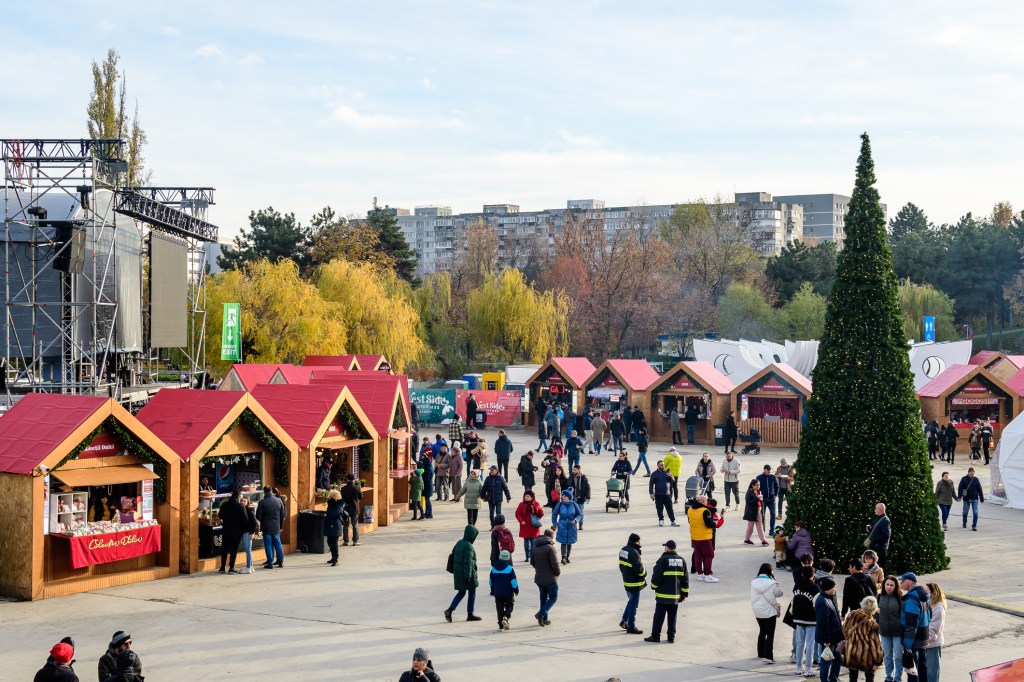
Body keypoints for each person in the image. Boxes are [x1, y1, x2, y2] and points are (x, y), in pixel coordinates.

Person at [644, 539, 688, 643]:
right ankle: (671, 637)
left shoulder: (662, 560)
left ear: (667, 548)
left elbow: (657, 576)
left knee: (659, 616)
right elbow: (685, 579)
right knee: (672, 617)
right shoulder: (681, 561)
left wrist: (653, 586)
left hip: (662, 596)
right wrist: (684, 594)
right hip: (675, 596)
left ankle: (655, 636)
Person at [445, 524, 482, 623]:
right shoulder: (469, 546)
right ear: (472, 535)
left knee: (461, 592)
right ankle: (470, 614)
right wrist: (468, 576)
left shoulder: (459, 542)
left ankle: (450, 610)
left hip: (458, 573)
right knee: (472, 592)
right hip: (467, 574)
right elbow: (468, 562)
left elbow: (453, 554)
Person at [843, 596, 885, 682]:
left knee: (852, 676)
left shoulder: (852, 614)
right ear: (874, 609)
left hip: (851, 652)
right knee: (869, 677)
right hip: (867, 656)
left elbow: (844, 630)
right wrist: (878, 661)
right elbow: (875, 645)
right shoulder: (872, 624)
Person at [899, 572, 931, 682]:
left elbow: (911, 625)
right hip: (923, 639)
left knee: (912, 671)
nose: (901, 583)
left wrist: (907, 645)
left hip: (914, 641)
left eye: (902, 581)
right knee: (922, 668)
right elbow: (929, 616)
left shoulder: (911, 600)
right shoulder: (924, 596)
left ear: (909, 582)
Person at [750, 563, 784, 664]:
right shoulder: (772, 583)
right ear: (770, 571)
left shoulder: (753, 582)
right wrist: (777, 585)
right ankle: (768, 656)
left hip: (757, 610)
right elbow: (780, 593)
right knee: (770, 634)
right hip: (769, 611)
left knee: (762, 631)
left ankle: (761, 653)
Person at [791, 566, 820, 677]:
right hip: (811, 619)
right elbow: (816, 604)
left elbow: (793, 600)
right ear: (813, 575)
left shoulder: (797, 585)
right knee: (810, 644)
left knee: (799, 643)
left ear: (802, 574)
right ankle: (808, 668)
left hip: (798, 618)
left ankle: (798, 668)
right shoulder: (815, 587)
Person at [814, 577, 844, 682]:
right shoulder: (823, 601)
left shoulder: (828, 598)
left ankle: (833, 678)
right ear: (829, 588)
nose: (835, 589)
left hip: (833, 637)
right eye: (834, 587)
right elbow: (823, 623)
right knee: (826, 662)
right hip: (828, 639)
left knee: (838, 658)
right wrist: (826, 640)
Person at [618, 532, 647, 634]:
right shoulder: (634, 552)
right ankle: (631, 626)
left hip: (626, 580)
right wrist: (645, 573)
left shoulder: (623, 550)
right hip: (634, 583)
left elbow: (621, 566)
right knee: (633, 604)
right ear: (637, 541)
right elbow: (639, 569)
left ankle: (624, 620)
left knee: (631, 601)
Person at [531, 527, 561, 626]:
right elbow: (555, 563)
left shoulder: (535, 545)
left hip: (539, 577)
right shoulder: (550, 548)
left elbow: (532, 561)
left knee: (543, 599)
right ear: (552, 536)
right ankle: (541, 614)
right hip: (550, 578)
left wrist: (539, 569)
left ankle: (544, 619)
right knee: (553, 597)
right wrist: (557, 573)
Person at [878, 575, 904, 682]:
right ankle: (889, 677)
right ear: (884, 585)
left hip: (898, 633)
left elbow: (903, 616)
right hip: (884, 632)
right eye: (887, 584)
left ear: (896, 586)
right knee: (887, 656)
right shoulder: (879, 597)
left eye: (891, 585)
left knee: (898, 657)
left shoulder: (900, 598)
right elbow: (875, 613)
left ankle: (897, 678)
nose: (889, 587)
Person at [687, 495, 718, 582]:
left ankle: (700, 574)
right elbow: (709, 524)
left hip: (694, 536)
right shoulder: (705, 511)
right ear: (703, 501)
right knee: (709, 554)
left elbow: (689, 521)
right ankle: (708, 575)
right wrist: (714, 523)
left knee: (698, 555)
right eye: (706, 501)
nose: (707, 502)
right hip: (704, 537)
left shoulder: (690, 509)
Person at [489, 549, 519, 631]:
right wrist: (516, 590)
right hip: (508, 593)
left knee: (499, 607)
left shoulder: (493, 568)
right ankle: (506, 617)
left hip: (497, 592)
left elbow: (490, 581)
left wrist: (492, 589)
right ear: (508, 558)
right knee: (510, 605)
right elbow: (513, 581)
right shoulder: (509, 569)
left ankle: (500, 624)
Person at [256, 485, 285, 569]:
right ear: (271, 491)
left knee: (268, 545)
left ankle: (270, 563)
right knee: (278, 544)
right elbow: (282, 515)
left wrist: (258, 528)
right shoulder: (279, 500)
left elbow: (258, 516)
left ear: (264, 492)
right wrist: (281, 526)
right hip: (276, 526)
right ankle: (280, 561)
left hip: (266, 527)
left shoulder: (262, 502)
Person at [217, 490, 246, 574]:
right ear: (238, 496)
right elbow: (245, 519)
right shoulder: (240, 506)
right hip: (236, 531)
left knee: (224, 548)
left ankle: (222, 567)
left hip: (226, 529)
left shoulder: (224, 505)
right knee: (234, 549)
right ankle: (231, 567)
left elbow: (220, 515)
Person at [552, 488, 583, 564]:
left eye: (565, 496)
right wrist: (555, 523)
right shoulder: (560, 505)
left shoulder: (574, 505)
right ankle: (563, 558)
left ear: (569, 497)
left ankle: (567, 557)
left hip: (571, 526)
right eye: (563, 496)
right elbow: (554, 514)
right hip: (562, 525)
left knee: (569, 542)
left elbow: (579, 514)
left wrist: (575, 520)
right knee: (563, 542)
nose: (563, 497)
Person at [924, 582, 946, 682]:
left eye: (926, 591)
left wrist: (925, 641)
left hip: (932, 645)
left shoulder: (939, 608)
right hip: (924, 644)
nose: (924, 593)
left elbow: (935, 628)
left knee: (932, 672)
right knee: (923, 672)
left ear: (933, 593)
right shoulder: (927, 604)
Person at [515, 490, 544, 562]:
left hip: (534, 527)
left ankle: (532, 556)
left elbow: (541, 512)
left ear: (532, 497)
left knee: (533, 543)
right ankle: (527, 556)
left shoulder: (536, 504)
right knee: (526, 544)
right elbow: (517, 513)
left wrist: (537, 518)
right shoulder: (521, 504)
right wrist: (521, 521)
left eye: (528, 496)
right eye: (525, 496)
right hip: (525, 526)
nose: (526, 497)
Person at [649, 460, 678, 527]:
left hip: (667, 494)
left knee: (670, 508)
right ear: (658, 465)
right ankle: (661, 520)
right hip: (658, 494)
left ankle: (673, 520)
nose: (662, 466)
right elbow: (651, 484)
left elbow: (673, 482)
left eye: (663, 465)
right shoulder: (654, 474)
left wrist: (670, 476)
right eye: (661, 465)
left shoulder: (667, 473)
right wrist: (651, 493)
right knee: (659, 508)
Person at [323, 489, 348, 566]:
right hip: (331, 524)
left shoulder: (338, 504)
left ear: (334, 496)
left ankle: (336, 559)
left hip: (335, 525)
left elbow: (335, 513)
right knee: (329, 541)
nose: (328, 497)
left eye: (330, 495)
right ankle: (333, 557)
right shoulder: (331, 504)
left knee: (334, 543)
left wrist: (328, 514)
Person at [865, 503, 891, 570]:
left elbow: (886, 535)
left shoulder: (885, 520)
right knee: (875, 565)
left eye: (876, 508)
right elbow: (877, 531)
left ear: (880, 509)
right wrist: (870, 529)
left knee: (881, 566)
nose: (875, 510)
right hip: (875, 546)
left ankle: (884, 577)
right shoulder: (878, 518)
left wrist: (874, 540)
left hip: (880, 547)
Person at [743, 479, 768, 545]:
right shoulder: (749, 492)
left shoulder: (759, 491)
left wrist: (760, 501)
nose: (758, 487)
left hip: (758, 510)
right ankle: (747, 539)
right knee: (750, 527)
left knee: (759, 526)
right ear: (752, 485)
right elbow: (749, 503)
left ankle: (763, 540)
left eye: (759, 485)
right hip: (752, 512)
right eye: (756, 485)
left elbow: (760, 502)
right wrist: (757, 498)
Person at [756, 464, 779, 531]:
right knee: (762, 515)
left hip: (771, 499)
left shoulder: (773, 477)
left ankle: (772, 530)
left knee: (773, 514)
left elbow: (777, 487)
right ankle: (762, 530)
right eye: (768, 470)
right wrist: (758, 496)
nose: (769, 471)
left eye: (770, 470)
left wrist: (775, 495)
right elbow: (756, 488)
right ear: (764, 470)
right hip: (763, 499)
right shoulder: (759, 478)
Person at [239, 497, 258, 574]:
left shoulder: (249, 511)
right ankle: (251, 567)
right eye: (242, 501)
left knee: (248, 550)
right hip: (246, 532)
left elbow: (254, 522)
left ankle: (248, 568)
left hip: (247, 532)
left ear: (247, 502)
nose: (243, 502)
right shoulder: (244, 510)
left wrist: (252, 533)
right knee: (248, 550)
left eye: (244, 501)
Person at [570, 464, 591, 528]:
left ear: (579, 470)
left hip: (581, 498)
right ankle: (574, 524)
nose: (573, 471)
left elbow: (587, 488)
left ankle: (581, 523)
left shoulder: (583, 478)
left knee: (580, 512)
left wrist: (588, 497)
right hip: (573, 498)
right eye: (573, 469)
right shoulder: (571, 477)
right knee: (573, 512)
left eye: (575, 470)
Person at [418, 451, 435, 519]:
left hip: (428, 487)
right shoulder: (429, 467)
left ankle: (429, 513)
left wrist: (422, 473)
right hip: (428, 486)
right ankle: (427, 513)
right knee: (427, 500)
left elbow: (426, 478)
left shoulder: (428, 469)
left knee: (427, 501)